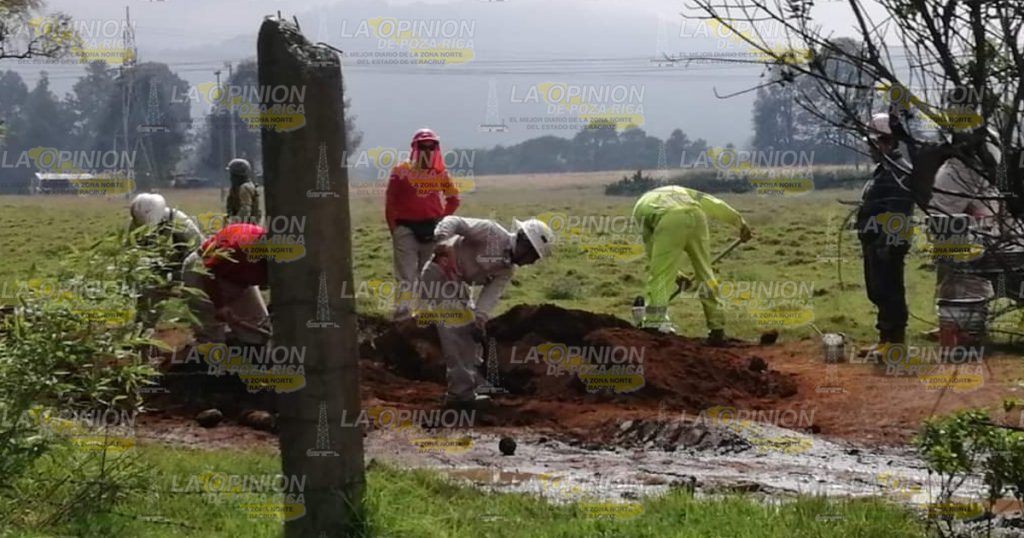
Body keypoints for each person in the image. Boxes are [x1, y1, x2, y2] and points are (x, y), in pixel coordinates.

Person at [418, 216, 553, 406]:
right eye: (533, 256)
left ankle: (469, 385)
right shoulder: (491, 232)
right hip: (438, 276)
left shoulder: (506, 270)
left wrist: (479, 319)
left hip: (458, 285)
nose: (531, 262)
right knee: (455, 333)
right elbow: (454, 221)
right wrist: (442, 242)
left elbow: (490, 295)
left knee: (469, 333)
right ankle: (460, 396)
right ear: (524, 243)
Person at [631, 185, 752, 343]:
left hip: (669, 220)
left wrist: (677, 277)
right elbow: (712, 203)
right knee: (705, 273)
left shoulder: (640, 208)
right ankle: (717, 330)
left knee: (661, 275)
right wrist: (739, 222)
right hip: (697, 215)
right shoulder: (678, 189)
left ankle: (652, 325)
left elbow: (651, 248)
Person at [385, 128, 461, 320]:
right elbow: (390, 201)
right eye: (423, 146)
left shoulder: (440, 174)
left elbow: (454, 199)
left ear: (436, 148)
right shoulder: (400, 172)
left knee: (429, 275)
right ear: (415, 148)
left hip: (432, 230)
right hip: (406, 229)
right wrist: (395, 229)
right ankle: (402, 317)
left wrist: (443, 221)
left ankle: (425, 318)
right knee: (406, 276)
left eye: (431, 146)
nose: (427, 150)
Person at [857, 112, 916, 355]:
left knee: (890, 289)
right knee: (879, 290)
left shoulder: (899, 170)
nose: (870, 149)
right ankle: (884, 340)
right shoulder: (886, 168)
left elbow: (898, 210)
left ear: (887, 142)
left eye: (873, 143)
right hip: (875, 240)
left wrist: (886, 243)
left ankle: (895, 343)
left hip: (887, 241)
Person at [182, 222, 270, 345]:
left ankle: (252, 360)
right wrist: (220, 305)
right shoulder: (238, 246)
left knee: (258, 330)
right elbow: (207, 270)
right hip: (201, 272)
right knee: (211, 337)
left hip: (237, 280)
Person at [128, 193, 204, 325]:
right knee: (147, 292)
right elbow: (132, 252)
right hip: (159, 267)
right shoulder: (136, 225)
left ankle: (199, 324)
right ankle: (144, 325)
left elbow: (197, 254)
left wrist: (177, 276)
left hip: (187, 265)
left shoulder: (181, 222)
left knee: (197, 293)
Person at [225, 158, 262, 223]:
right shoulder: (236, 187)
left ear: (237, 175)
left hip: (248, 225)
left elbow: (246, 209)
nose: (230, 177)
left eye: (232, 174)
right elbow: (230, 205)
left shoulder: (245, 188)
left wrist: (235, 222)